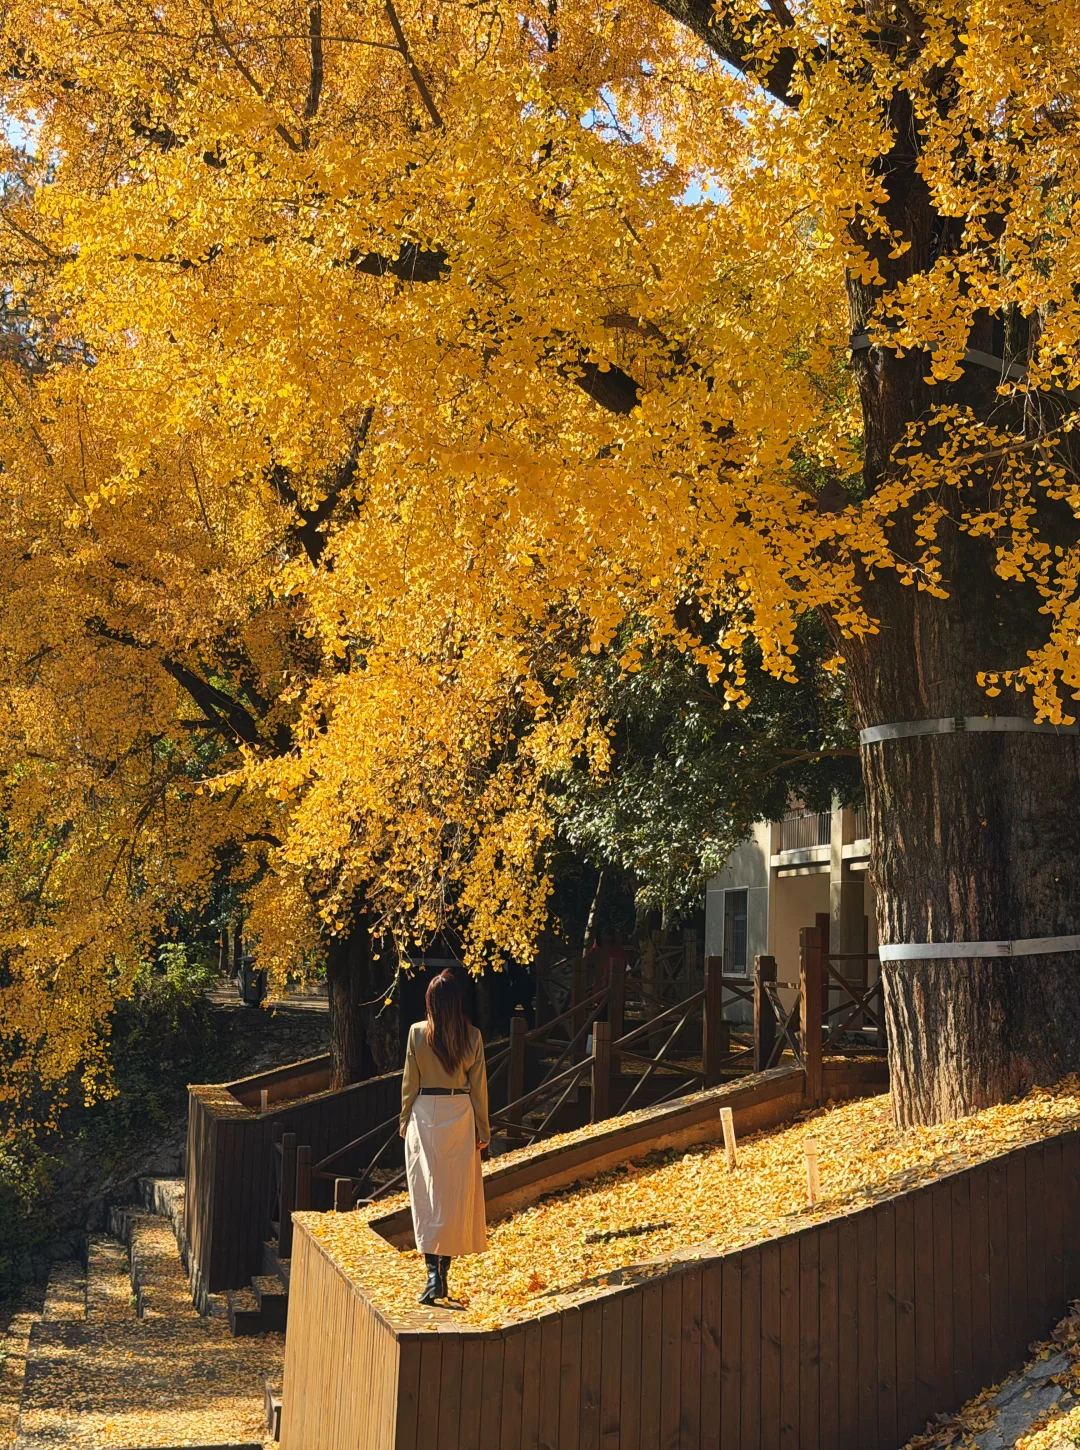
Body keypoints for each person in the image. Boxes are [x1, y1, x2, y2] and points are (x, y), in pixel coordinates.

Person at [399, 969, 489, 1304]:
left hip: (425, 1113)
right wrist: (483, 1129)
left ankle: (432, 1274)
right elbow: (479, 1089)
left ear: (430, 1002)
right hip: (460, 1113)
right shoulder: (473, 1037)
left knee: (426, 1193)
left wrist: (404, 1120)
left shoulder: (417, 1033)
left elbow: (409, 1082)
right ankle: (444, 1275)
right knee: (453, 1196)